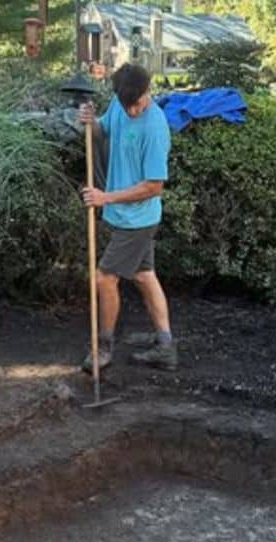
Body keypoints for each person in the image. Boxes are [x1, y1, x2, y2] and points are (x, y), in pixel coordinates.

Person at [79, 63, 177, 372]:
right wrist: (90, 122)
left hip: (138, 220)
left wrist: (105, 197)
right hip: (123, 215)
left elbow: (154, 186)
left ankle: (103, 348)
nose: (132, 111)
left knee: (104, 278)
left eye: (137, 104)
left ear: (147, 92)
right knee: (144, 276)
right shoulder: (121, 104)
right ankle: (166, 347)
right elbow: (102, 130)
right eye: (127, 105)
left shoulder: (154, 127)